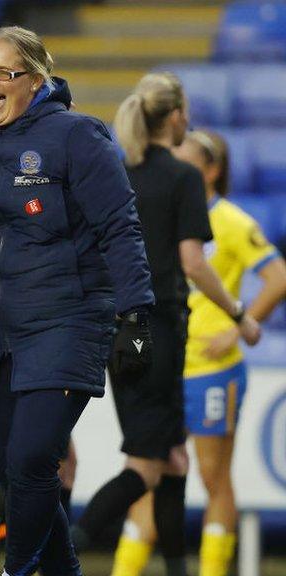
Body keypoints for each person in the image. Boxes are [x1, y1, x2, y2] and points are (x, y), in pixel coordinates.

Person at [0, 26, 156, 575]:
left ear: (37, 79)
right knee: (16, 474)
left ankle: (16, 570)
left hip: (66, 321)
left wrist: (137, 316)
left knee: (32, 460)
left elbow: (120, 228)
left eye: (5, 73)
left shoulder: (78, 137)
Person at [70, 74, 262, 576]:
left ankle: (176, 567)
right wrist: (240, 315)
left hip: (118, 330)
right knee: (148, 466)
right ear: (175, 116)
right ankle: (63, 549)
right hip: (161, 331)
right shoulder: (182, 178)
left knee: (174, 460)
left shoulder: (115, 172)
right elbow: (194, 262)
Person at [109, 130, 286, 576]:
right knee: (149, 475)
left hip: (210, 368)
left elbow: (278, 277)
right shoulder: (158, 212)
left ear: (211, 170)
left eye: (186, 162)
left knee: (212, 477)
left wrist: (240, 325)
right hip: (162, 364)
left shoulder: (230, 221)